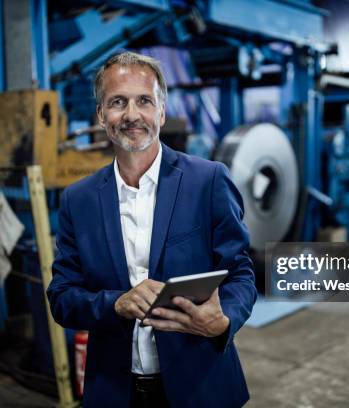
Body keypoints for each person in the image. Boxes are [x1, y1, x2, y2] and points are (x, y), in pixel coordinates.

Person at [47, 51, 257, 408]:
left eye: (144, 101)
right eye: (118, 102)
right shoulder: (77, 200)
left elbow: (241, 273)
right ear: (101, 115)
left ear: (161, 111)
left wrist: (222, 323)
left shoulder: (208, 181)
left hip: (201, 386)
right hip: (115, 391)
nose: (132, 115)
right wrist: (116, 303)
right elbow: (63, 298)